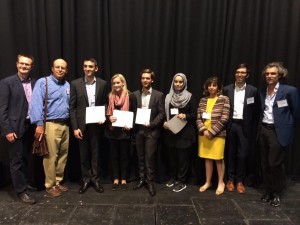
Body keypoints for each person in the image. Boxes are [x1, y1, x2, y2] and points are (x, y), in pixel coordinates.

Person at [259, 62, 300, 207]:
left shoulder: (289, 91)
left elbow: (296, 113)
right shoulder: (262, 91)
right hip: (264, 129)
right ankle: (268, 191)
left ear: (279, 75)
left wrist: (286, 127)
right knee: (265, 164)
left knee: (274, 163)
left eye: (273, 73)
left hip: (278, 131)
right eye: (268, 74)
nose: (269, 76)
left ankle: (276, 193)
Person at [30, 58, 70, 197]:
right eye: (57, 67)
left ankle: (58, 181)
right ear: (52, 68)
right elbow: (35, 104)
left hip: (65, 125)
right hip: (50, 124)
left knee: (62, 155)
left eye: (63, 68)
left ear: (66, 70)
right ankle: (50, 184)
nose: (60, 69)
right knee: (50, 156)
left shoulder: (67, 85)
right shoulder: (43, 82)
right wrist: (39, 125)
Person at [0, 54, 37, 204]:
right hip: (14, 127)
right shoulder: (7, 82)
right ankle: (21, 192)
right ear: (17, 64)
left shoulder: (35, 83)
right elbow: (2, 109)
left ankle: (25, 184)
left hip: (30, 126)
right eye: (22, 63)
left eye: (27, 64)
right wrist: (7, 130)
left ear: (31, 66)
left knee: (26, 158)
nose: (24, 66)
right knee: (16, 161)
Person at [70, 58, 108, 194]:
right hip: (81, 126)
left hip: (96, 125)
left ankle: (95, 179)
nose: (88, 69)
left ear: (96, 68)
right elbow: (72, 107)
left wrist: (103, 116)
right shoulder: (75, 84)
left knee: (96, 154)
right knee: (83, 154)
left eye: (90, 66)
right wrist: (75, 127)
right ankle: (86, 179)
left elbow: (105, 103)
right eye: (85, 66)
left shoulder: (103, 84)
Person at [223, 64, 260, 193]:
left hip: (245, 126)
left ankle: (240, 181)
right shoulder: (227, 89)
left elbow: (256, 111)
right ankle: (230, 180)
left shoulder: (253, 91)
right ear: (235, 74)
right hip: (230, 124)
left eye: (243, 72)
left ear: (247, 75)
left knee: (242, 155)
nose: (240, 74)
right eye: (238, 72)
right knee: (230, 153)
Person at [133, 69, 165, 196]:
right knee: (140, 157)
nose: (145, 80)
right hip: (139, 130)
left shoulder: (159, 95)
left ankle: (150, 182)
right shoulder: (135, 94)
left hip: (152, 131)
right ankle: (141, 179)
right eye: (143, 78)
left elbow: (162, 113)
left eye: (147, 78)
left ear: (152, 80)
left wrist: (152, 124)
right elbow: (132, 112)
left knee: (149, 158)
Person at [163, 73, 197, 192]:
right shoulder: (168, 97)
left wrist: (186, 116)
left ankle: (181, 181)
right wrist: (164, 123)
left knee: (183, 159)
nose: (178, 84)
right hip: (171, 132)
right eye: (176, 82)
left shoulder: (190, 97)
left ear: (184, 83)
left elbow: (195, 115)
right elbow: (164, 113)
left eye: (180, 82)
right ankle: (173, 178)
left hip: (185, 134)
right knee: (172, 158)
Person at [196, 76, 230, 195]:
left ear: (218, 87)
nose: (211, 87)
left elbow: (225, 118)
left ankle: (221, 182)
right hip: (204, 135)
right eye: (209, 85)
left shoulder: (224, 99)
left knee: (218, 159)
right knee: (207, 159)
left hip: (218, 134)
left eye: (214, 85)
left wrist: (212, 132)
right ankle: (208, 182)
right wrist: (204, 130)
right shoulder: (202, 100)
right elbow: (198, 118)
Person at [105, 74, 137, 191]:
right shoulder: (109, 96)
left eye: (118, 83)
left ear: (123, 83)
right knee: (114, 156)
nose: (116, 85)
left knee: (124, 156)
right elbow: (106, 113)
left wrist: (130, 125)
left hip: (125, 132)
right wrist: (109, 118)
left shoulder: (131, 96)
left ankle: (123, 179)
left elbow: (134, 113)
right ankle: (116, 179)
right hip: (112, 132)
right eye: (114, 83)